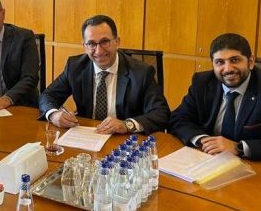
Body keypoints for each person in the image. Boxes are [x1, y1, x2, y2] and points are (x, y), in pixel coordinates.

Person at [169, 33, 261, 163]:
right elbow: (178, 119)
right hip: (208, 163)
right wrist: (204, 140)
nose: (228, 69)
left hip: (255, 169)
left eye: (235, 60)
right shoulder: (202, 83)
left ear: (251, 61)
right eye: (220, 62)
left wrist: (239, 147)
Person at [39, 15, 169, 135]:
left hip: (124, 141)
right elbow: (48, 95)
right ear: (84, 46)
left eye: (105, 41)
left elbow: (161, 113)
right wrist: (54, 114)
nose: (99, 51)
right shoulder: (75, 67)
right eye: (91, 44)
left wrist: (127, 125)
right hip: (88, 137)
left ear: (117, 42)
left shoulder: (141, 72)